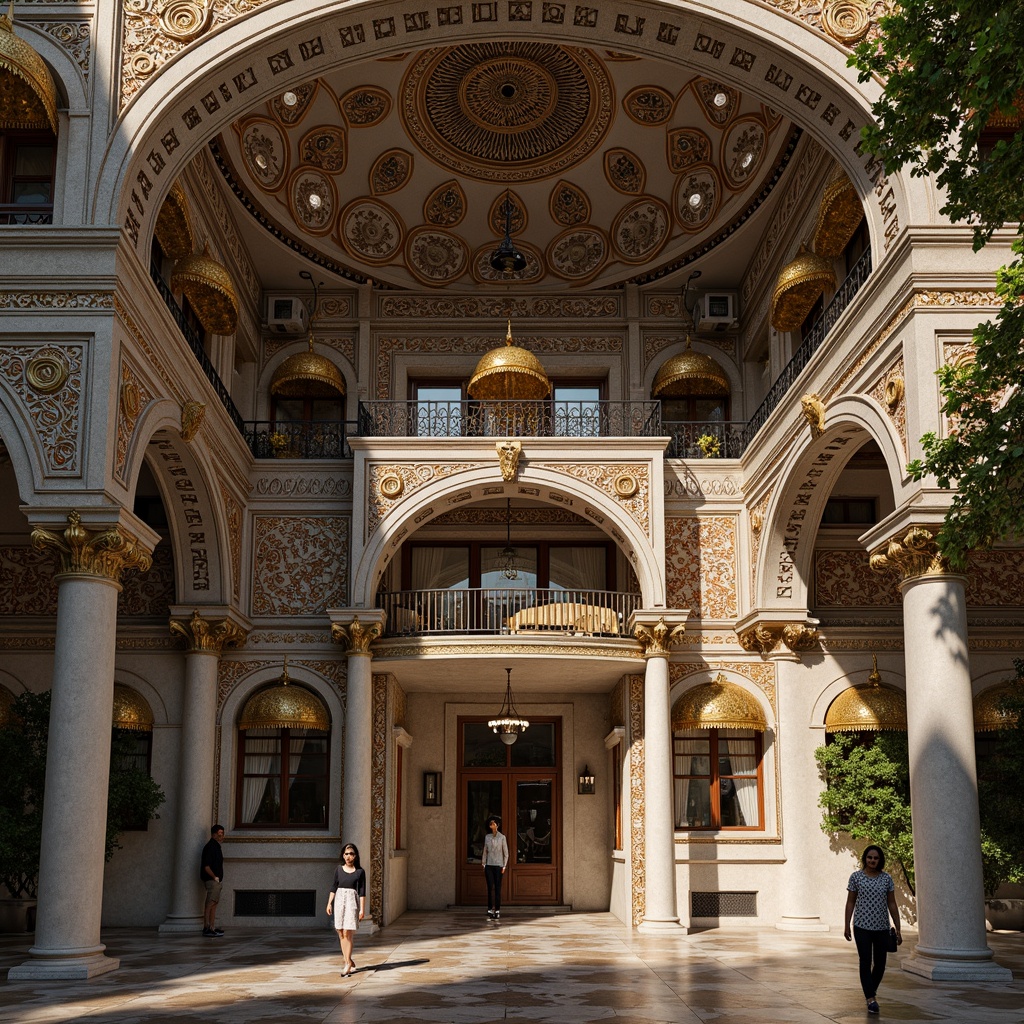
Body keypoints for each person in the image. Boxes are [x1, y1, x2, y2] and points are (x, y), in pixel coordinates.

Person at [844, 844, 902, 1014]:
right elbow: (850, 902)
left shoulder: (886, 879)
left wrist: (898, 928)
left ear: (880, 860)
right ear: (865, 859)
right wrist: (846, 924)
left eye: (876, 858)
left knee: (881, 964)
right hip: (861, 926)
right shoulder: (856, 877)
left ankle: (871, 992)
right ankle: (870, 999)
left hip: (882, 927)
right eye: (870, 857)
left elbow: (892, 903)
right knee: (865, 961)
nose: (872, 861)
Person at [326, 843, 366, 976]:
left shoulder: (360, 872)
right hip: (339, 900)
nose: (349, 856)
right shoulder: (338, 869)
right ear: (343, 855)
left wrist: (362, 909)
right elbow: (334, 886)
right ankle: (348, 959)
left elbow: (362, 892)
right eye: (346, 853)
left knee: (348, 932)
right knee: (341, 932)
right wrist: (329, 903)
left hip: (351, 901)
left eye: (351, 854)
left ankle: (347, 963)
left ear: (355, 856)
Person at [200, 824, 225, 937]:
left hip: (216, 881)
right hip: (212, 881)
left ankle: (212, 927)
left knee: (214, 903)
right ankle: (206, 927)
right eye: (220, 833)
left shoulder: (216, 847)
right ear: (214, 834)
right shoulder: (210, 847)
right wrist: (214, 877)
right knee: (210, 903)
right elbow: (206, 866)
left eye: (222, 833)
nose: (222, 836)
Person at [482, 815, 508, 919]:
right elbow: (485, 851)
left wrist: (504, 865)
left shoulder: (502, 837)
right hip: (489, 865)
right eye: (490, 824)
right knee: (489, 888)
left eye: (494, 823)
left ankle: (497, 910)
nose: (492, 825)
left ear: (497, 825)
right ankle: (489, 909)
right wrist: (484, 863)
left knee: (497, 888)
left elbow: (506, 853)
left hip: (499, 865)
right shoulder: (487, 837)